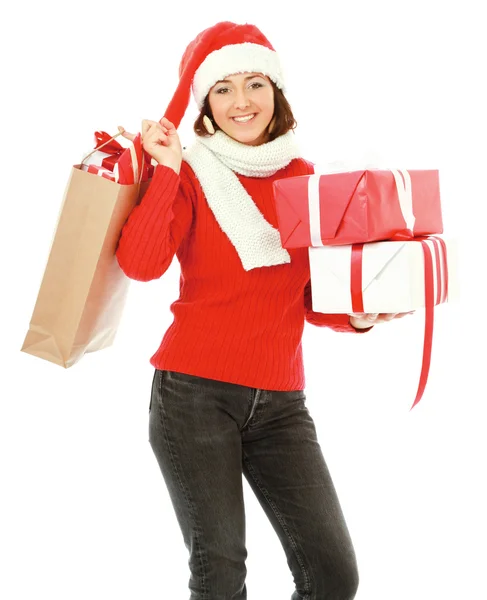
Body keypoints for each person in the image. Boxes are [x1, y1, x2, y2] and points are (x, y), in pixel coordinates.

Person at [115, 21, 411, 600]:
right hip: (193, 397)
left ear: (277, 92)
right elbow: (141, 264)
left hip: (280, 404)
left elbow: (305, 294)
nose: (241, 101)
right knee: (220, 575)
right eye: (222, 88)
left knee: (332, 576)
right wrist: (168, 169)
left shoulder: (305, 180)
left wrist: (358, 314)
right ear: (205, 102)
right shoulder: (191, 173)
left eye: (255, 83)